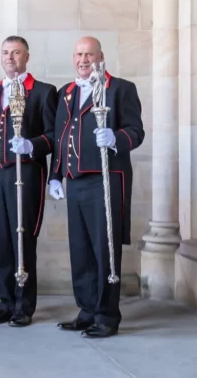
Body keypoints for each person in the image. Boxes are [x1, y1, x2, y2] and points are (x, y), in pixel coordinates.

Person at [49, 36, 144, 338]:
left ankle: (106, 316)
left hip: (105, 180)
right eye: (78, 54)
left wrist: (116, 138)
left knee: (105, 250)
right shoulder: (66, 92)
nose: (83, 60)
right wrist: (55, 175)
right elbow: (60, 136)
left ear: (101, 57)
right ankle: (87, 310)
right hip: (75, 181)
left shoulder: (121, 88)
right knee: (80, 250)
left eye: (89, 54)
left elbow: (136, 131)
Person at [0, 36, 57, 328]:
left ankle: (23, 306)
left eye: (16, 52)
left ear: (27, 56)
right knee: (0, 240)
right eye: (5, 52)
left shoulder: (43, 92)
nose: (10, 57)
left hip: (26, 174)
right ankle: (5, 302)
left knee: (22, 239)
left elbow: (53, 136)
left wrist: (31, 145)